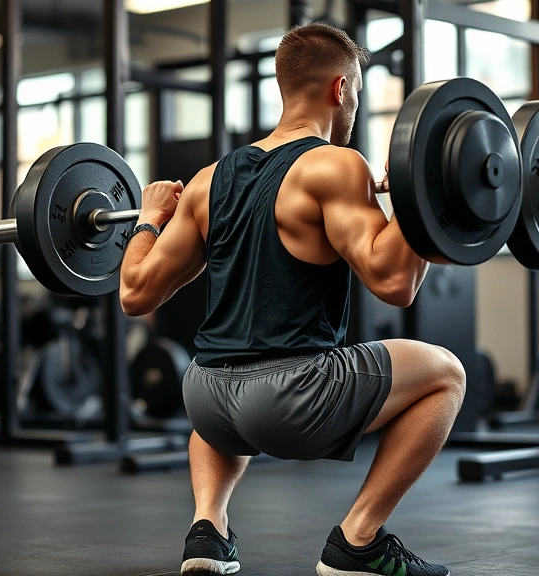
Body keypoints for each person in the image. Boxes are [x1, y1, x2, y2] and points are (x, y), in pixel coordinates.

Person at [119, 22, 466, 576]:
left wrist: (146, 219)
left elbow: (135, 293)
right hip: (290, 400)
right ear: (340, 89)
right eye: (356, 87)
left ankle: (208, 531)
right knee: (445, 373)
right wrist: (420, 197)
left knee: (226, 362)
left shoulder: (210, 180)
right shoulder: (335, 165)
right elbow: (394, 282)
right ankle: (359, 542)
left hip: (205, 399)